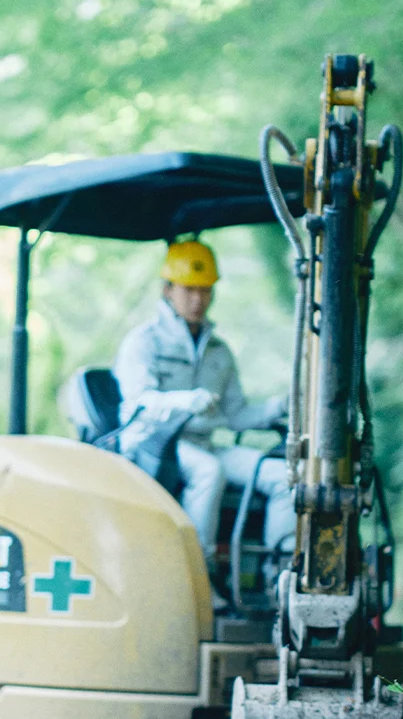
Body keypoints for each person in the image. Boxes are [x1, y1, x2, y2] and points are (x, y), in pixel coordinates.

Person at [109, 240, 293, 574]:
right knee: (209, 470)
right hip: (154, 444)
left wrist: (279, 407)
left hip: (203, 443)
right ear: (168, 289)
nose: (198, 300)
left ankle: (277, 574)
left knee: (284, 476)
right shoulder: (144, 342)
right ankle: (197, 574)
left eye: (205, 290)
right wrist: (185, 401)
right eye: (189, 290)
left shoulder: (219, 352)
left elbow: (236, 415)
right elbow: (138, 403)